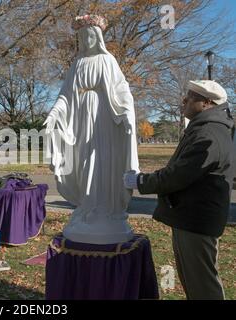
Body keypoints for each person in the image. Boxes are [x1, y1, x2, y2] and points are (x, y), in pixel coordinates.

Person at [124, 80, 234, 300]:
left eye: (190, 97)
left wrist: (140, 181)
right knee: (194, 282)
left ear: (207, 103)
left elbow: (179, 174)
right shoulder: (206, 128)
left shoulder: (209, 133)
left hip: (196, 221)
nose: (184, 101)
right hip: (191, 218)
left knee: (203, 286)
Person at [44, 14, 139, 244]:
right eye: (82, 36)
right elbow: (65, 95)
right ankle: (87, 206)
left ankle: (106, 209)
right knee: (84, 162)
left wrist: (126, 114)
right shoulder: (77, 64)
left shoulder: (107, 61)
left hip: (104, 118)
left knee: (103, 161)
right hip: (80, 121)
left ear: (97, 37)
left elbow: (121, 89)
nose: (86, 40)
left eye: (89, 36)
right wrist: (54, 113)